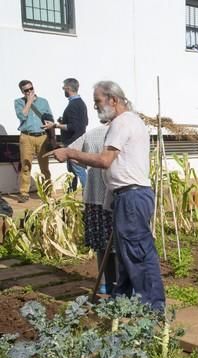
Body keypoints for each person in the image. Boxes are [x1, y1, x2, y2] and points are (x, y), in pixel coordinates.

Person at [52, 81, 165, 311]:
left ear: (113, 100)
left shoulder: (122, 123)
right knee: (126, 253)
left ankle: (153, 307)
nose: (95, 107)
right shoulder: (130, 121)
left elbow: (104, 161)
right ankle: (121, 299)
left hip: (132, 196)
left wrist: (71, 152)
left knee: (137, 252)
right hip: (128, 196)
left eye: (98, 102)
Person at [69, 122, 114, 295]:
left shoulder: (91, 134)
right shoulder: (120, 133)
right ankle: (118, 283)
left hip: (93, 194)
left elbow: (71, 153)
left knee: (100, 243)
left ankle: (104, 283)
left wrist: (85, 171)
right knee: (116, 244)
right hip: (113, 195)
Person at [44, 78, 89, 192]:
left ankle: (89, 197)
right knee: (72, 172)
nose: (63, 89)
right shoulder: (80, 103)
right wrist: (63, 122)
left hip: (73, 143)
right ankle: (70, 194)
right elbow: (84, 122)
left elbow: (74, 126)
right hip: (76, 141)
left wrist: (56, 126)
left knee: (78, 170)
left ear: (68, 88)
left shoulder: (74, 105)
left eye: (63, 87)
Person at [13, 80, 53, 203]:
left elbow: (50, 117)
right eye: (26, 90)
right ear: (22, 91)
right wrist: (29, 102)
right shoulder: (18, 102)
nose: (30, 91)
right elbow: (22, 116)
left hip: (42, 137)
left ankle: (48, 191)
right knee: (25, 166)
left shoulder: (43, 101)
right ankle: (24, 192)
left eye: (31, 88)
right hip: (27, 137)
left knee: (44, 167)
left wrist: (50, 124)